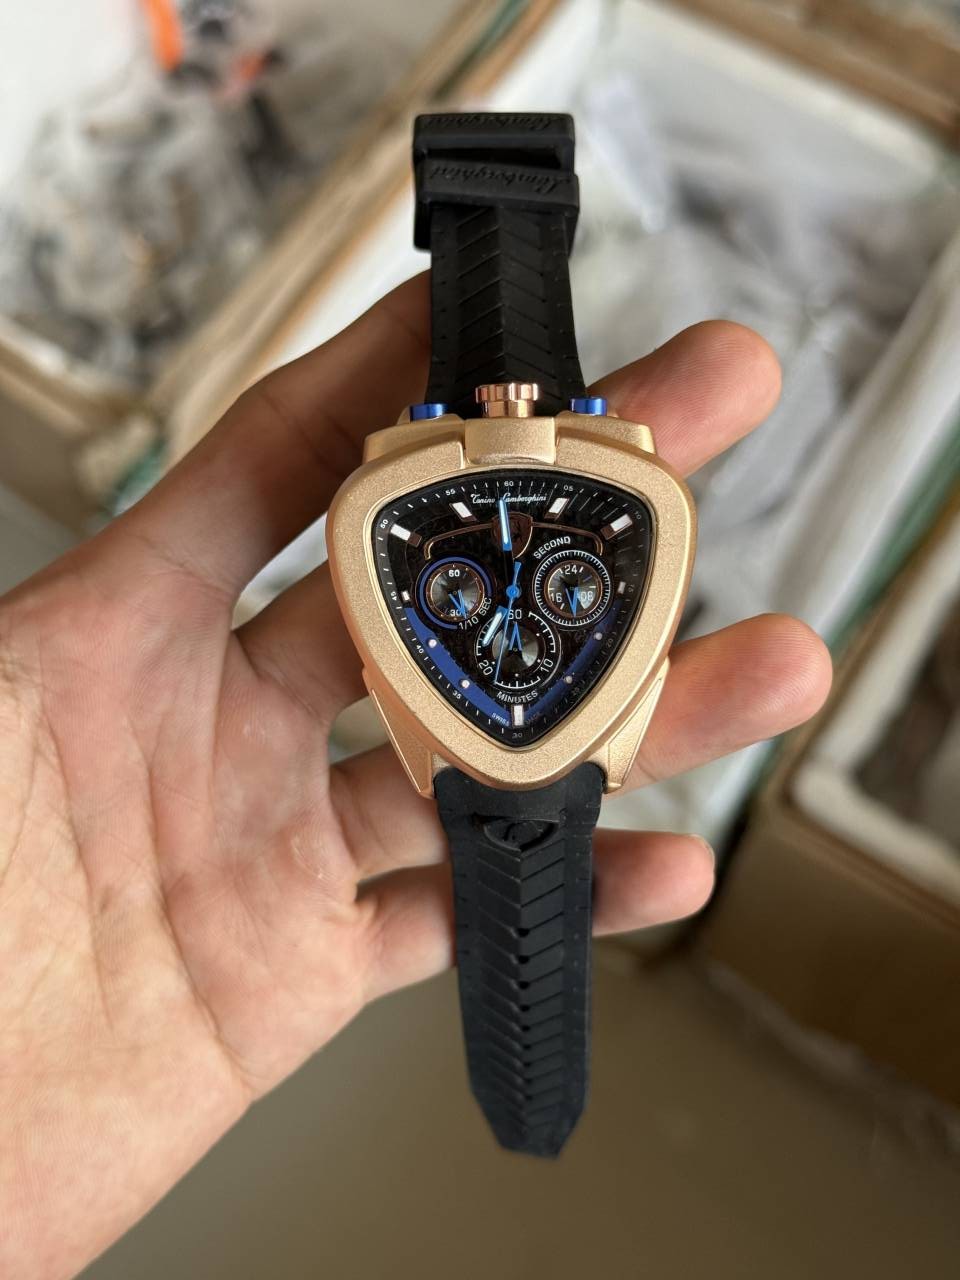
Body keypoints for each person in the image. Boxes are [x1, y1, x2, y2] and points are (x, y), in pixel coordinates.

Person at [0, 275, 831, 1280]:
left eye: (570, 587)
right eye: (467, 589)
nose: (516, 610)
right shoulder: (467, 518)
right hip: (503, 730)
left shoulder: (453, 522)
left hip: (532, 729)